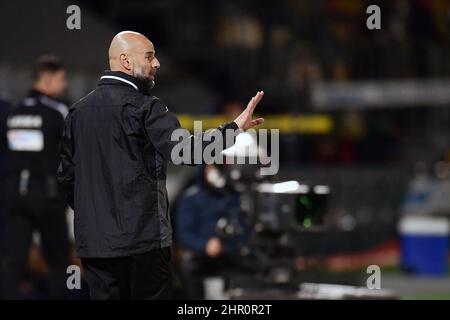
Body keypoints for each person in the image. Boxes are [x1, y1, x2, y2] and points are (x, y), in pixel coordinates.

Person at [57, 31, 264, 300]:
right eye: (149, 56)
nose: (157, 64)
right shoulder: (145, 108)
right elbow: (186, 152)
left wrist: (97, 218)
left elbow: (66, 179)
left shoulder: (77, 112)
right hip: (143, 245)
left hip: (96, 246)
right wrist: (234, 129)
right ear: (126, 61)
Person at [1, 55, 70, 299]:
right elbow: (70, 154)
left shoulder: (14, 111)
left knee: (13, 260)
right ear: (48, 79)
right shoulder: (57, 112)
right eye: (62, 79)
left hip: (14, 194)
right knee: (57, 259)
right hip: (48, 196)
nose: (65, 85)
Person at [175, 164, 250, 299]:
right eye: (212, 167)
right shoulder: (191, 197)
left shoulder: (233, 197)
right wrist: (205, 245)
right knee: (188, 267)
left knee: (252, 264)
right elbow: (184, 234)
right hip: (201, 255)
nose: (216, 172)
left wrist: (229, 245)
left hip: (229, 252)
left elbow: (243, 229)